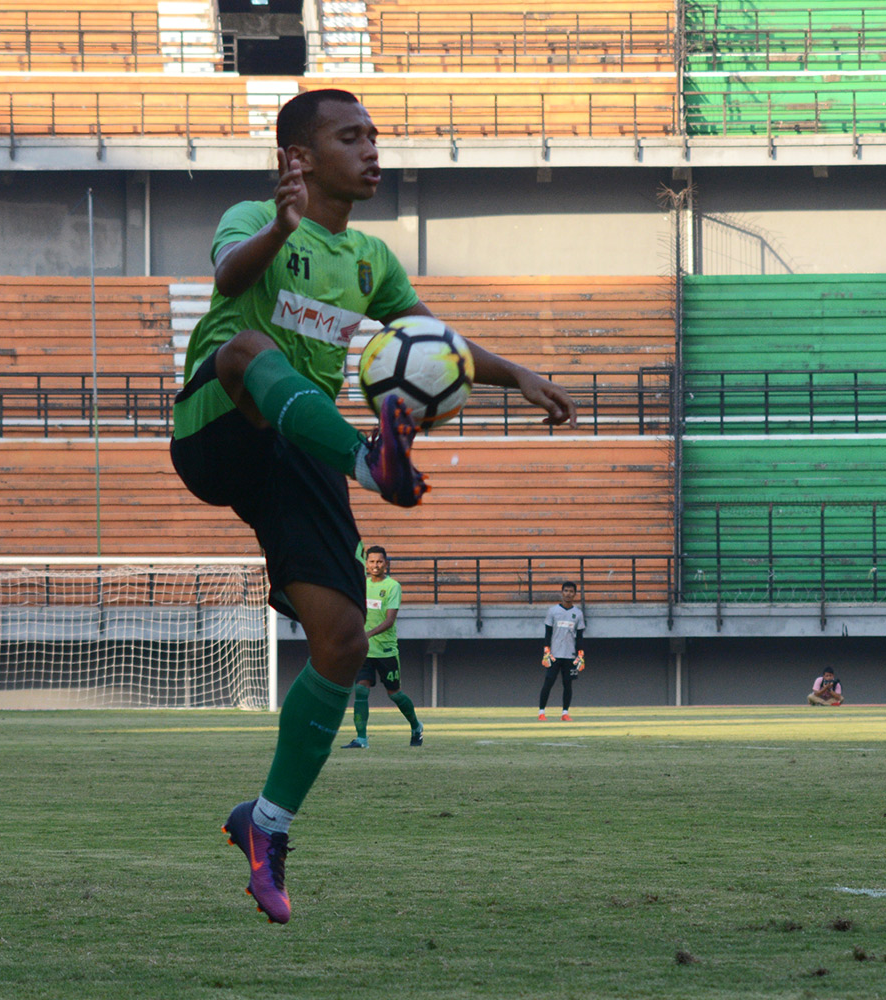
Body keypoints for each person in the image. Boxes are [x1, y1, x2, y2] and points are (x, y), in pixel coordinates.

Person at [170, 88, 577, 924]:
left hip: (299, 450)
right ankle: (368, 457)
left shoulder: (374, 262)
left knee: (344, 641)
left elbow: (436, 344)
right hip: (220, 420)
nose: (372, 149)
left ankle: (266, 824)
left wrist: (516, 376)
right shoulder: (254, 215)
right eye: (350, 136)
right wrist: (279, 230)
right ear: (300, 158)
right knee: (251, 348)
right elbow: (225, 278)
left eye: (374, 135)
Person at [341, 545, 422, 749]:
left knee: (394, 694)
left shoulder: (393, 586)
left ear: (386, 563)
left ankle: (416, 726)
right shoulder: (362, 585)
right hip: (364, 650)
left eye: (379, 561)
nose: (375, 565)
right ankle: (361, 739)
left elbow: (390, 620)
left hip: (386, 650)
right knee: (361, 690)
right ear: (366, 564)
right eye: (371, 561)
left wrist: (366, 634)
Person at [538, 581, 585, 721]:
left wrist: (580, 654)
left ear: (575, 594)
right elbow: (548, 633)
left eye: (571, 591)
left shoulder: (578, 614)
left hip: (570, 655)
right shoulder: (553, 611)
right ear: (562, 592)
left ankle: (565, 713)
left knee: (568, 683)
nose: (568, 594)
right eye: (566, 591)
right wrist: (546, 651)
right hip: (554, 655)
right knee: (549, 681)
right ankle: (541, 712)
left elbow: (580, 636)